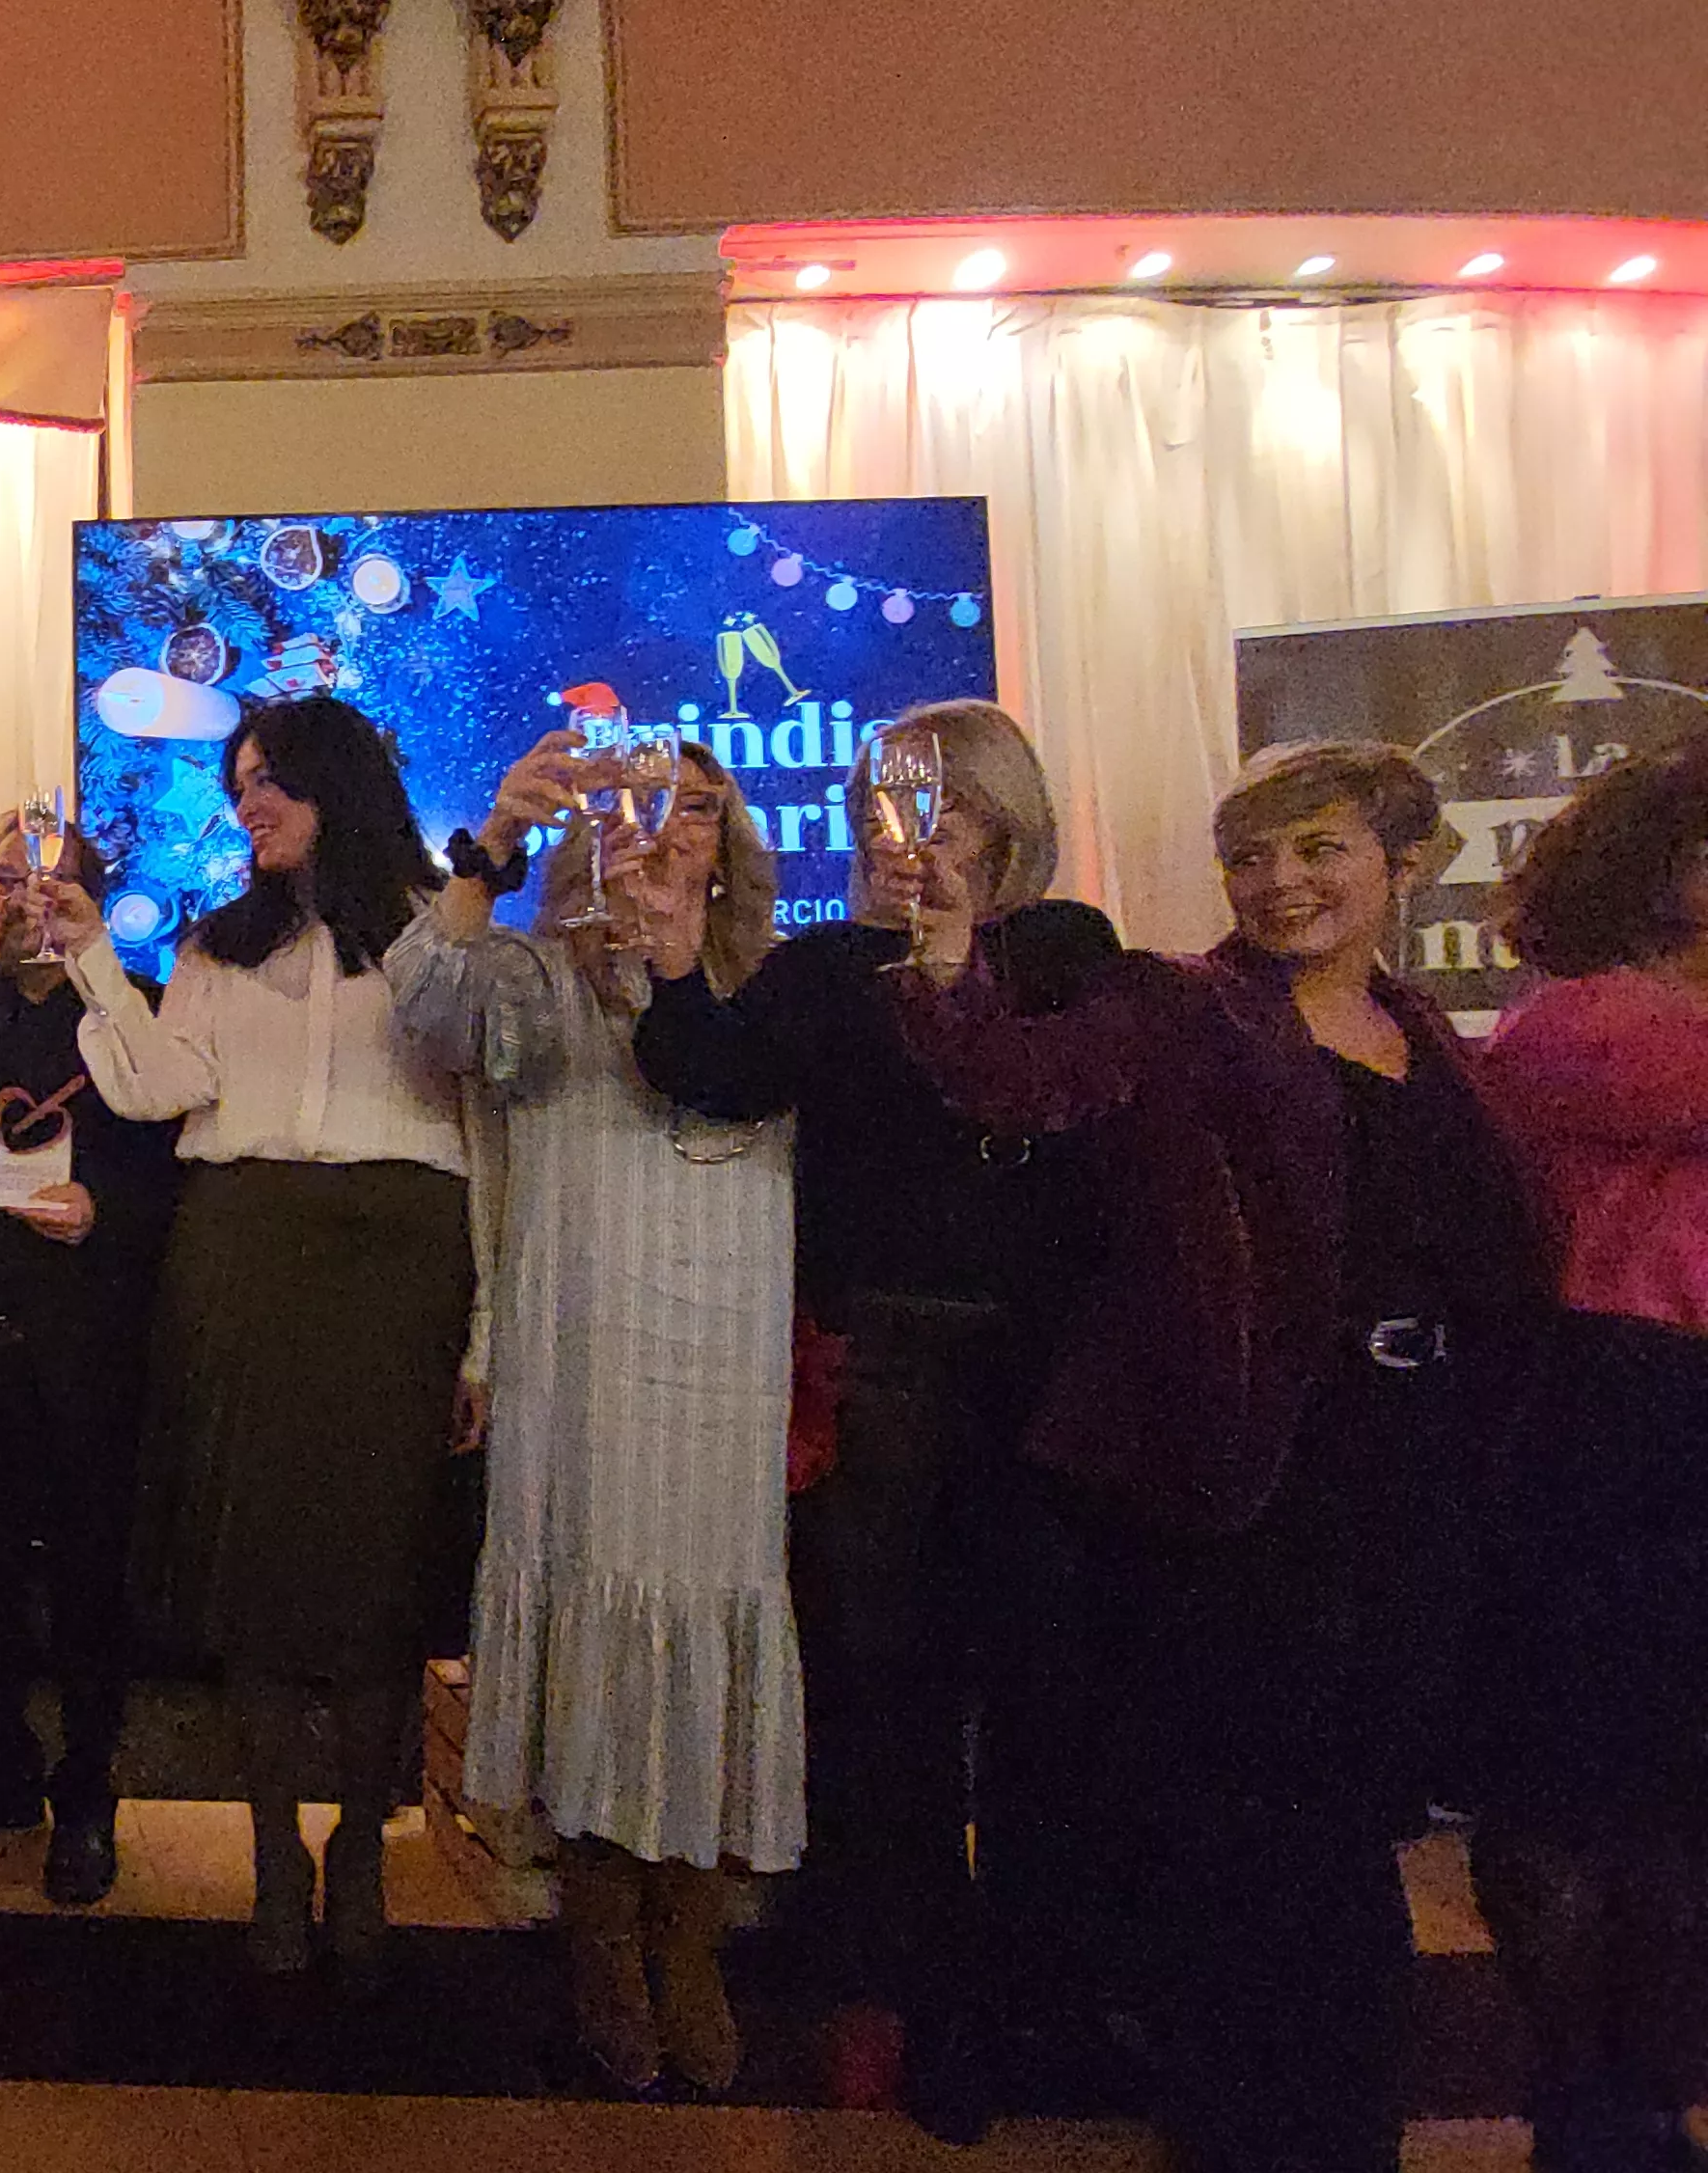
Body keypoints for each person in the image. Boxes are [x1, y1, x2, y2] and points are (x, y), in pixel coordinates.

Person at [885, 741, 1546, 2173]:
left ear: (1401, 863)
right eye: (1252, 856)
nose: (1280, 881)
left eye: (1316, 849)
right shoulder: (1179, 1009)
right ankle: (1249, 2127)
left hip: (1412, 1477)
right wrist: (944, 964)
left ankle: (1340, 2120)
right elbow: (1017, 1079)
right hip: (1253, 1477)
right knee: (1252, 1830)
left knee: (1362, 1816)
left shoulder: (1424, 1034)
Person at [626, 697, 1093, 2131]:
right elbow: (705, 1072)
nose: (904, 837)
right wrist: (663, 951)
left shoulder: (1066, 954)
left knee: (1030, 1704)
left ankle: (1017, 2005)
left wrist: (955, 967)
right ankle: (886, 1991)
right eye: (884, 807)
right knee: (877, 1701)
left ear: (1005, 823)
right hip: (867, 1374)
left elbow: (1059, 1123)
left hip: (1034, 1380)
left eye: (938, 810)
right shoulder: (830, 965)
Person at [392, 733, 800, 2090]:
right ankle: (602, 1932)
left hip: (726, 1368)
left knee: (703, 1627)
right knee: (594, 1631)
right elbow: (422, 1014)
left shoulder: (777, 981)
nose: (669, 832)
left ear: (729, 840)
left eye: (697, 810)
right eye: (640, 809)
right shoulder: (539, 974)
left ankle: (691, 1934)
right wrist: (493, 849)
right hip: (582, 1357)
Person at [46, 695, 475, 1985]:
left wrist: (484, 1343)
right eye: (238, 786)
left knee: (374, 1581)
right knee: (260, 1583)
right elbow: (159, 1087)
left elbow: (488, 1134)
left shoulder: (431, 933)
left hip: (397, 1269)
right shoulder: (217, 944)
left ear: (338, 780)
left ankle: (360, 1849)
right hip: (239, 1258)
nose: (251, 804)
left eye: (270, 780)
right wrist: (89, 962)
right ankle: (279, 1855)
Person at [1472, 741, 1708, 2173]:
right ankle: (1586, 2097)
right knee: (1578, 1785)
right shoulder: (1580, 1020)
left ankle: (1647, 2093)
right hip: (1614, 1412)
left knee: (1677, 1803)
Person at [0, 815, 178, 1907]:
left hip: (86, 1343)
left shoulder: (131, 1006)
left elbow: (174, 1167)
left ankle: (87, 1796)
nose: (23, 899)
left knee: (91, 1588)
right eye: (5, 878)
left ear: (90, 896)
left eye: (47, 881)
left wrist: (108, 1206)